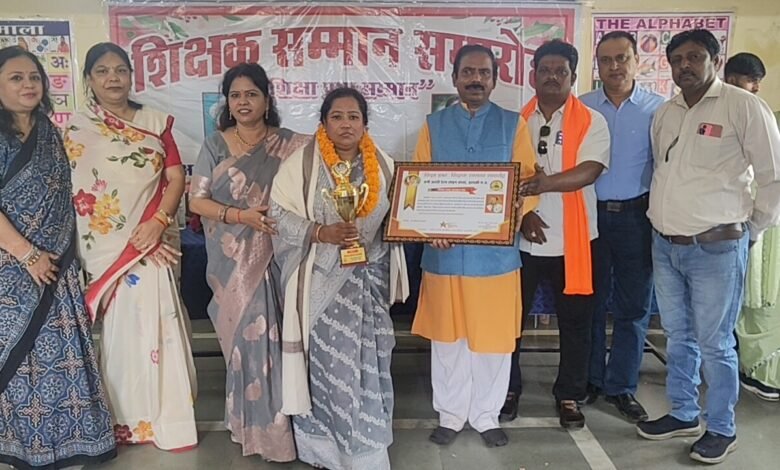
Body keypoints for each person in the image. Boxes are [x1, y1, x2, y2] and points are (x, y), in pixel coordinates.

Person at [637, 30, 780, 465]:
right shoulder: (666, 113)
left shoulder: (743, 106)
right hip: (666, 245)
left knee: (715, 343)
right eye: (677, 59)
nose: (685, 65)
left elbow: (773, 176)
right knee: (678, 335)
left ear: (715, 60)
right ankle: (683, 412)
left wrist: (752, 230)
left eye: (695, 56)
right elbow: (664, 172)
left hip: (717, 248)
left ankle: (721, 427)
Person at [65, 42, 197, 451]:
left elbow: (175, 178)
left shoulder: (155, 123)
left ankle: (167, 418)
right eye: (102, 71)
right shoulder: (74, 129)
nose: (113, 79)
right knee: (121, 333)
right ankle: (125, 420)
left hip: (152, 240)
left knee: (160, 322)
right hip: (106, 248)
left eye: (120, 70)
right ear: (89, 79)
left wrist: (157, 224)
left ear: (131, 75)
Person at [271, 87, 407, 470]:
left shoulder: (384, 165)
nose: (346, 124)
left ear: (365, 123)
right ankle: (325, 452)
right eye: (337, 116)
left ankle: (366, 451)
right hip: (320, 285)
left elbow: (401, 215)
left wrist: (427, 227)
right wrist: (319, 232)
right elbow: (276, 215)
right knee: (332, 369)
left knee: (371, 365)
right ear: (323, 122)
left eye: (353, 116)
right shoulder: (300, 166)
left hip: (369, 281)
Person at [410, 44, 538, 447]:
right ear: (455, 78)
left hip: (494, 257)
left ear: (495, 80)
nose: (476, 79)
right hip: (444, 253)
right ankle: (450, 414)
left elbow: (528, 184)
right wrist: (430, 227)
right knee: (448, 340)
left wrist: (511, 215)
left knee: (492, 340)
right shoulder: (433, 125)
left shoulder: (512, 124)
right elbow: (418, 184)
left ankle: (486, 415)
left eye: (484, 72)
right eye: (468, 72)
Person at [0, 45, 116, 469]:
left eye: (34, 77)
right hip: (11, 271)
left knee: (62, 359)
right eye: (16, 78)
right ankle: (21, 446)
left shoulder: (51, 132)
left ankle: (72, 442)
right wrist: (28, 255)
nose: (29, 85)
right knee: (20, 360)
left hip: (57, 269)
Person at [189, 63, 309, 461]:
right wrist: (241, 216)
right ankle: (252, 428)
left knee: (280, 340)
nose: (243, 102)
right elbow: (197, 201)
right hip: (233, 262)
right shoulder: (215, 145)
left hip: (279, 256)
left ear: (267, 100)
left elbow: (319, 174)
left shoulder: (290, 145)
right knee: (246, 342)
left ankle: (284, 427)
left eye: (251, 94)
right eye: (235, 95)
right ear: (227, 101)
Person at [501, 39, 610, 429]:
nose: (551, 77)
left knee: (576, 323)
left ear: (572, 76)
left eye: (560, 71)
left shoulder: (592, 120)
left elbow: (590, 171)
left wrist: (542, 185)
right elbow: (507, 174)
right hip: (522, 239)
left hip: (576, 241)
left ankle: (569, 394)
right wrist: (525, 215)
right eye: (544, 70)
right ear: (533, 75)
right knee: (510, 320)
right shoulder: (516, 121)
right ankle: (507, 389)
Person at [579, 31, 664, 422]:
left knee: (634, 306)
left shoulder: (659, 110)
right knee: (590, 303)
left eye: (622, 58)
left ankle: (622, 386)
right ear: (597, 65)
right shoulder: (582, 107)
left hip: (637, 217)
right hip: (589, 216)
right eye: (606, 59)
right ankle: (591, 379)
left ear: (637, 61)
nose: (614, 66)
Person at [726, 52, 780, 402]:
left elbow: (773, 178)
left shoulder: (762, 115)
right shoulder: (717, 113)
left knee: (762, 298)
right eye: (750, 82)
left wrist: (757, 227)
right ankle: (745, 366)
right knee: (741, 300)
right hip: (736, 223)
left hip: (763, 225)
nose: (753, 89)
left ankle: (764, 372)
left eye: (753, 83)